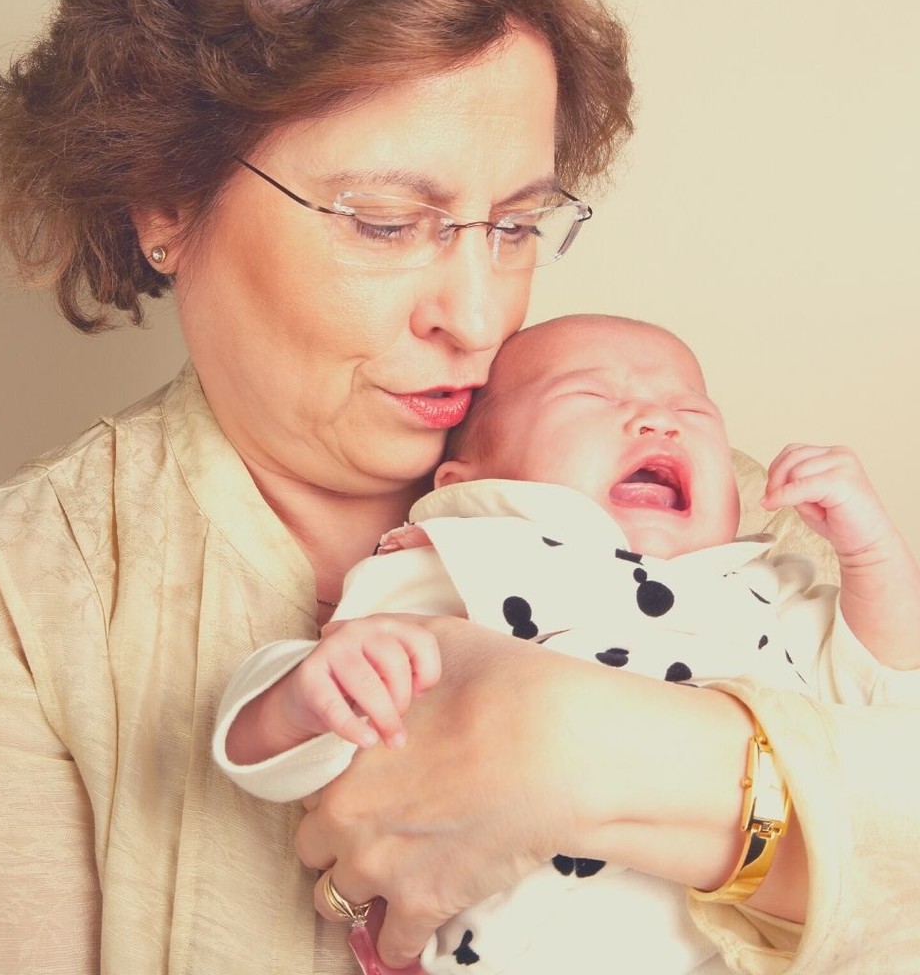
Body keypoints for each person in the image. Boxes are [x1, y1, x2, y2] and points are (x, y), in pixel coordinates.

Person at [0, 0, 917, 974]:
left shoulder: (723, 515)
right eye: (383, 222)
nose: (476, 319)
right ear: (164, 202)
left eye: (517, 225)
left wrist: (571, 740)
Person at [215, 313, 920, 973]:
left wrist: (872, 555)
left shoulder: (766, 587)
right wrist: (294, 702)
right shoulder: (467, 558)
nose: (657, 421)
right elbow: (305, 731)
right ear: (469, 481)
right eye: (591, 397)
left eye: (692, 411)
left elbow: (883, 691)